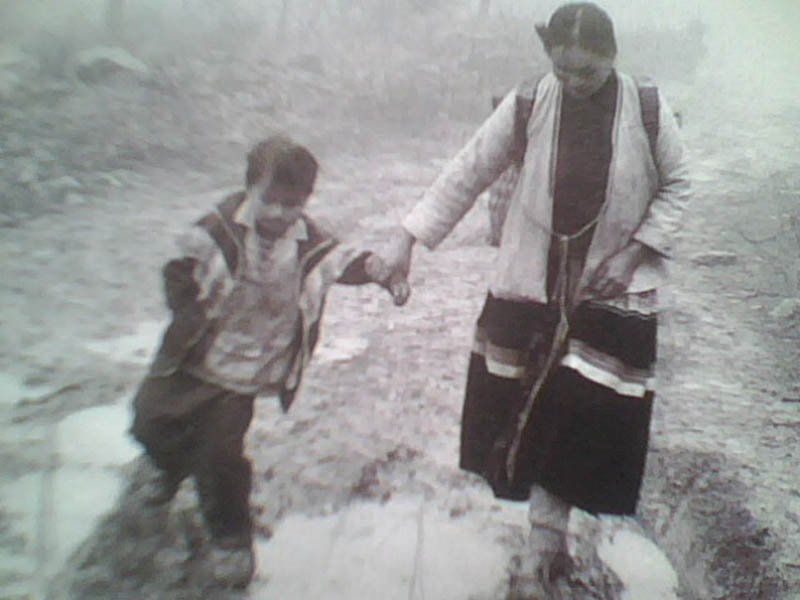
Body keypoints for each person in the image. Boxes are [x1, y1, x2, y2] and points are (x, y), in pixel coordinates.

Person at [380, 2, 690, 594]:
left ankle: (546, 543)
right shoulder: (529, 101)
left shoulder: (646, 107)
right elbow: (469, 169)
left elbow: (679, 183)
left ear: (612, 57)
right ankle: (544, 546)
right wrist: (406, 239)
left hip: (610, 282)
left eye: (587, 72)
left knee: (583, 406)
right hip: (533, 275)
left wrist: (634, 254)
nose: (573, 83)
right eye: (562, 69)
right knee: (529, 402)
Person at [130, 135, 408, 589]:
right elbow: (178, 266)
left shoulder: (307, 242)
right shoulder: (218, 228)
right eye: (270, 201)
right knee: (148, 418)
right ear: (249, 190)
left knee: (220, 455)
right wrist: (188, 311)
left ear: (307, 201)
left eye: (292, 204)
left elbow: (341, 263)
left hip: (245, 369)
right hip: (194, 355)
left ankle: (231, 539)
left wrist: (378, 270)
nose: (279, 213)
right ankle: (168, 465)